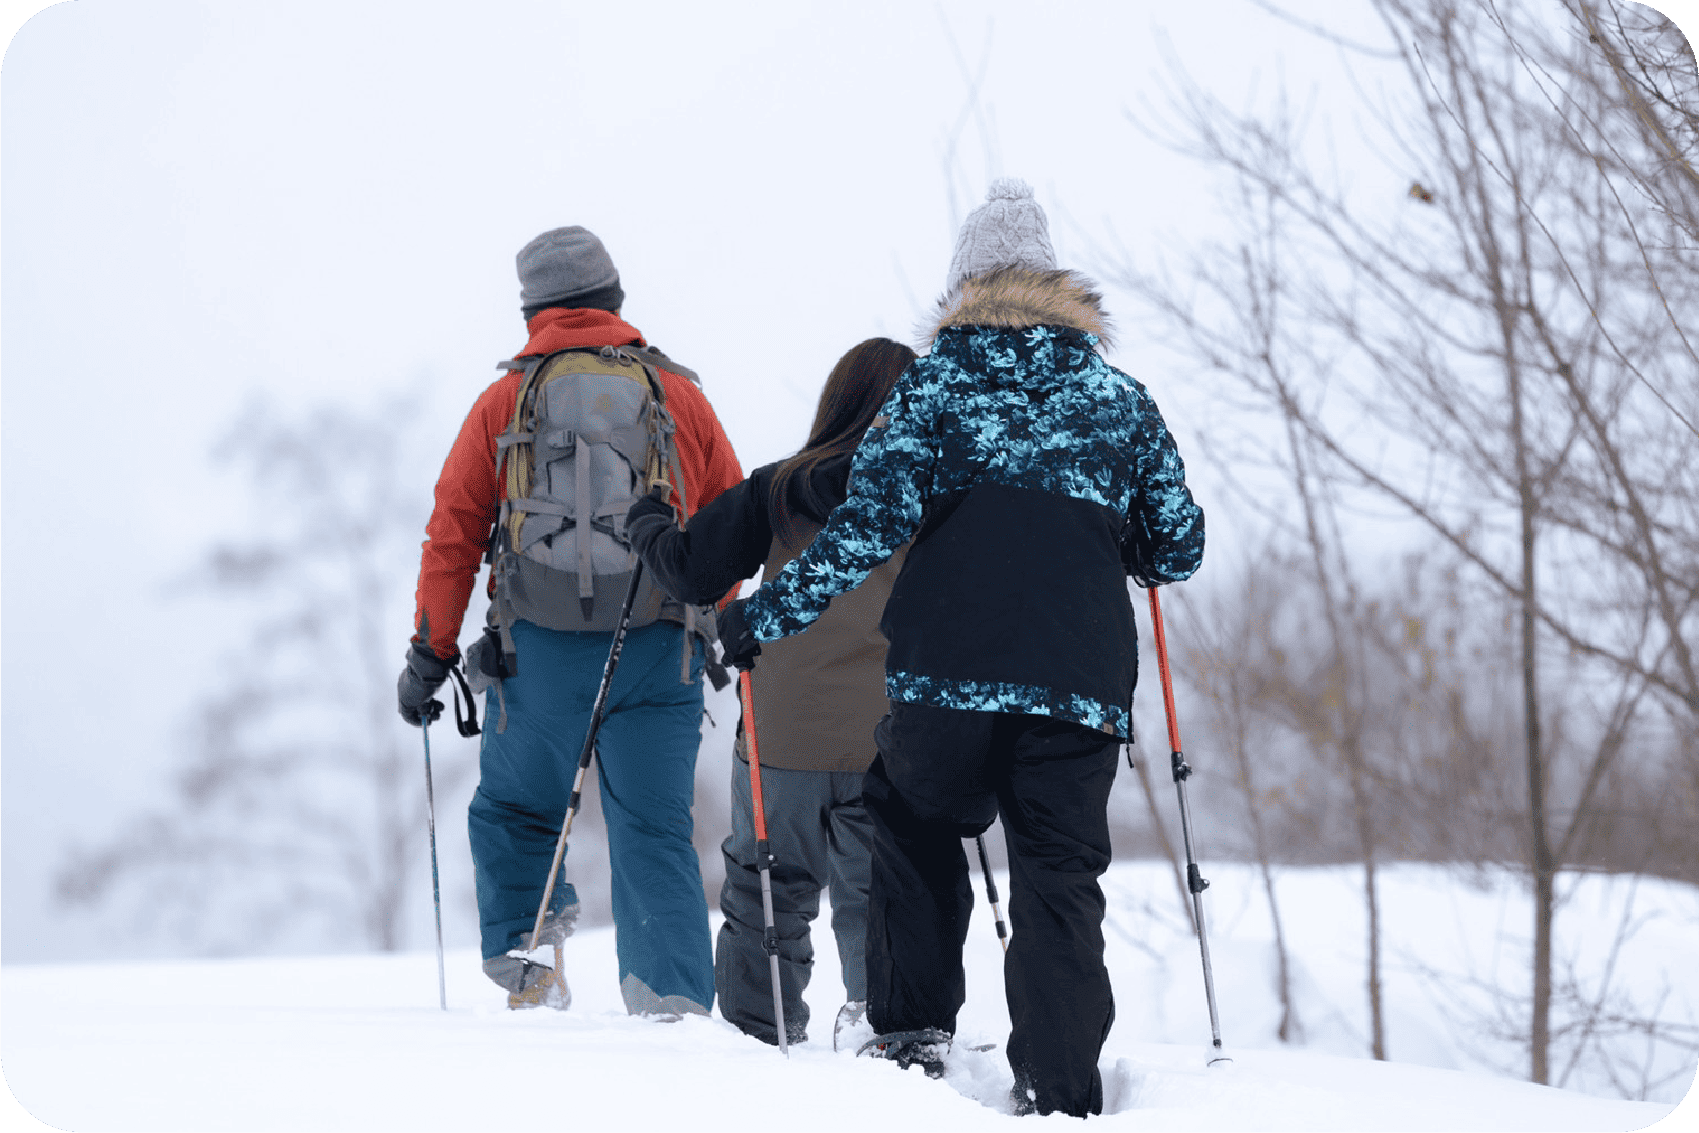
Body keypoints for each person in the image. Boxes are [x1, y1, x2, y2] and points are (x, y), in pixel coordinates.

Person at [716, 180, 1205, 1117]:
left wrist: (760, 618)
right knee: (1060, 878)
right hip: (1076, 692)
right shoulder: (1117, 399)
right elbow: (1177, 543)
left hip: (946, 684)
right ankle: (1061, 1090)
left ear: (963, 285)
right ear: (1053, 282)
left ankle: (908, 1044)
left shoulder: (931, 391)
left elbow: (859, 534)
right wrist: (1128, 538)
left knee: (911, 824)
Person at [397, 226, 743, 1017]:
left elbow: (452, 532)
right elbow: (730, 520)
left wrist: (429, 653)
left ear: (532, 312)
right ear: (614, 299)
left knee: (518, 809)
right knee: (654, 830)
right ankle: (672, 1009)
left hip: (538, 657)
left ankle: (533, 979)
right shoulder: (676, 395)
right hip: (659, 653)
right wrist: (727, 626)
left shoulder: (503, 403)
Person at [624, 337, 918, 1048]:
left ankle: (760, 1035)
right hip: (888, 734)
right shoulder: (926, 495)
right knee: (875, 893)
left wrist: (648, 524)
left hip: (781, 725)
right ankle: (882, 1027)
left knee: (767, 888)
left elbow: (693, 573)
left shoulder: (781, 487)